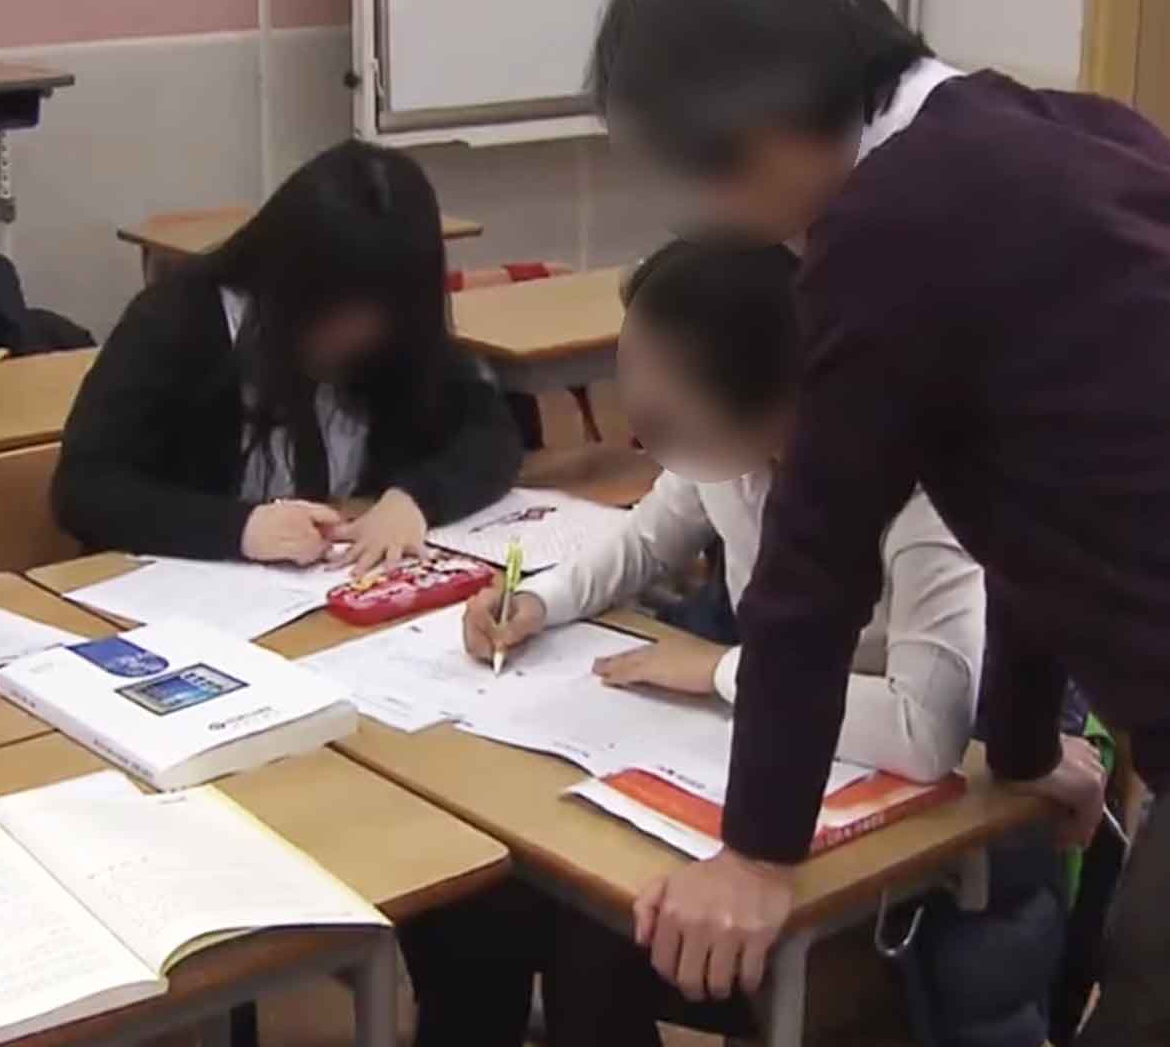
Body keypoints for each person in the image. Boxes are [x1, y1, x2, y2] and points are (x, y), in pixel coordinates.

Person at [588, 0, 1170, 1042]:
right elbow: (1039, 498)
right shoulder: (1078, 134)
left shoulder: (885, 232)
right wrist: (1019, 745)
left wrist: (758, 856)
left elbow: (815, 571)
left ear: (752, 130)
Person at [402, 237, 985, 1047]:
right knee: (564, 909)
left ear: (766, 398)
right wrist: (537, 599)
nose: (644, 441)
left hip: (903, 804)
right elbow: (643, 542)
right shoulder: (736, 454)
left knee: (605, 930)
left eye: (663, 421)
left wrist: (721, 671)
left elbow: (926, 733)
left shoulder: (917, 494)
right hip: (781, 765)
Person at [53, 141, 522, 574]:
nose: (356, 337)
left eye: (376, 316)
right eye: (336, 313)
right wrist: (238, 528)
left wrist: (415, 500)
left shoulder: (394, 335)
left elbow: (491, 435)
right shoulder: (180, 321)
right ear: (287, 277)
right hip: (197, 595)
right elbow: (86, 489)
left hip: (327, 591)